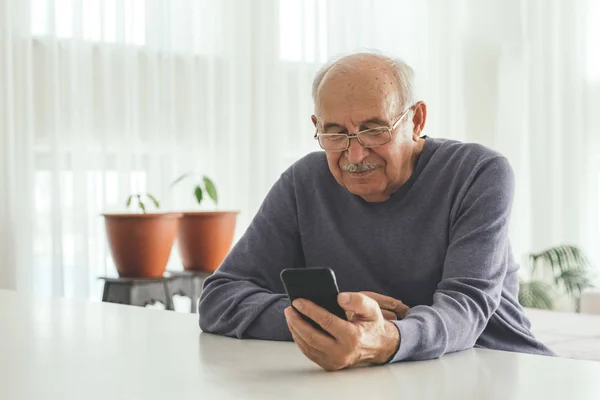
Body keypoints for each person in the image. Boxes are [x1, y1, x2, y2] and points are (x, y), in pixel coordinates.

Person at [198, 52, 554, 371]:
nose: (354, 155)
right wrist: (335, 323)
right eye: (335, 134)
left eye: (373, 130)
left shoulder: (478, 172)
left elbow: (465, 309)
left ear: (416, 121)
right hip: (371, 383)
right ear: (317, 128)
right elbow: (219, 299)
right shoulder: (303, 182)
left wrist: (387, 339)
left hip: (497, 368)